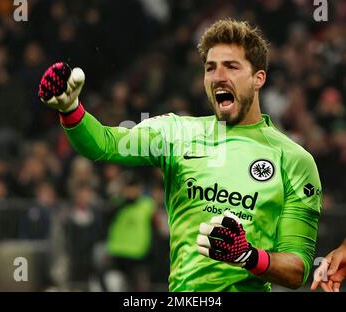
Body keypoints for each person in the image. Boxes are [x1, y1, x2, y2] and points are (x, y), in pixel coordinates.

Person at [37, 19, 322, 292]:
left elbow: (298, 269)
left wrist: (247, 256)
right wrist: (71, 109)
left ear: (258, 78)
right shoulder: (176, 133)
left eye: (232, 67)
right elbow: (104, 144)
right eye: (210, 68)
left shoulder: (294, 160)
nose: (219, 77)